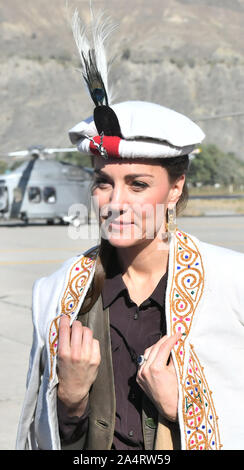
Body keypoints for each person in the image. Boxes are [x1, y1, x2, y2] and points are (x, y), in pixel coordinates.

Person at [16, 10, 244, 451]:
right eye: (104, 182)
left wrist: (182, 411)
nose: (116, 201)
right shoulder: (54, 293)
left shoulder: (234, 284)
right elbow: (41, 434)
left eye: (138, 184)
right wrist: (70, 397)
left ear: (175, 188)